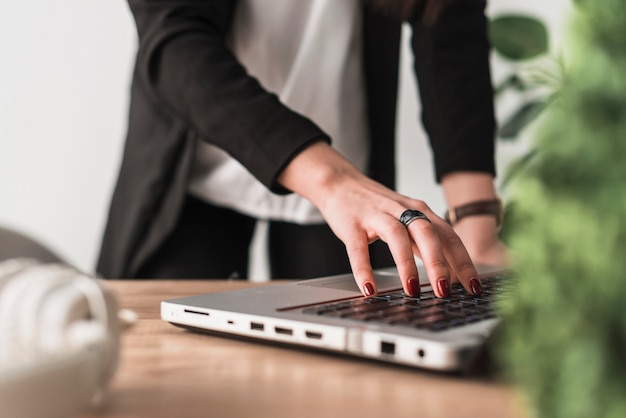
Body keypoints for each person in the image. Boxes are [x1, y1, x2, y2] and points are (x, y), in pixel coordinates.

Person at [97, 0, 508, 298]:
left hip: (346, 172)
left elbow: (448, 21)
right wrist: (332, 180)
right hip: (194, 170)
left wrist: (476, 225)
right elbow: (172, 39)